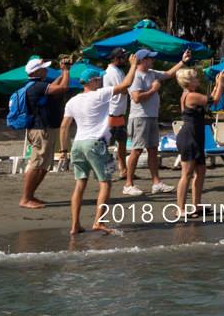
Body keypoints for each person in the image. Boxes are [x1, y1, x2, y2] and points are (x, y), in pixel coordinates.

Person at [59, 56, 138, 234]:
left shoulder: (72, 101)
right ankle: (98, 222)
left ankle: (75, 226)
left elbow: (64, 127)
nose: (101, 81)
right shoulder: (100, 94)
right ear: (93, 81)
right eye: (99, 79)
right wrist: (133, 66)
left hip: (77, 144)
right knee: (106, 182)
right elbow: (125, 85)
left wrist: (63, 151)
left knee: (80, 184)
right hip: (97, 144)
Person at [122, 49, 189, 197]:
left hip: (151, 116)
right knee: (137, 150)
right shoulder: (136, 76)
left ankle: (156, 183)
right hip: (140, 117)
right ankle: (128, 184)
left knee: (153, 149)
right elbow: (137, 98)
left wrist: (182, 61)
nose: (152, 60)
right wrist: (153, 89)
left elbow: (168, 74)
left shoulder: (151, 72)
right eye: (150, 58)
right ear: (142, 60)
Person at [17, 56, 72, 209]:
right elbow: (63, 88)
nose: (47, 69)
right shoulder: (37, 87)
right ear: (38, 71)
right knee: (36, 164)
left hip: (44, 129)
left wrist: (62, 73)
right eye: (44, 68)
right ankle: (25, 198)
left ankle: (30, 196)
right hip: (41, 129)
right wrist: (67, 72)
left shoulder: (36, 85)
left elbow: (54, 86)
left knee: (44, 165)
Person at [172, 66, 224, 210]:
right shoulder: (190, 95)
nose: (198, 79)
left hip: (196, 136)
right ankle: (181, 209)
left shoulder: (191, 94)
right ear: (188, 82)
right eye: (195, 78)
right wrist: (221, 82)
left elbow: (208, 101)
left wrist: (216, 85)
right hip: (189, 136)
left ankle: (196, 205)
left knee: (201, 171)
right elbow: (215, 100)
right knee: (187, 174)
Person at [102, 49, 131, 179]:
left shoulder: (118, 71)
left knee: (122, 143)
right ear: (115, 59)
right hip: (112, 113)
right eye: (123, 57)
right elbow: (124, 90)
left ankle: (123, 169)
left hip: (118, 113)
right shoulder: (112, 72)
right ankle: (106, 172)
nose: (125, 60)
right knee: (107, 145)